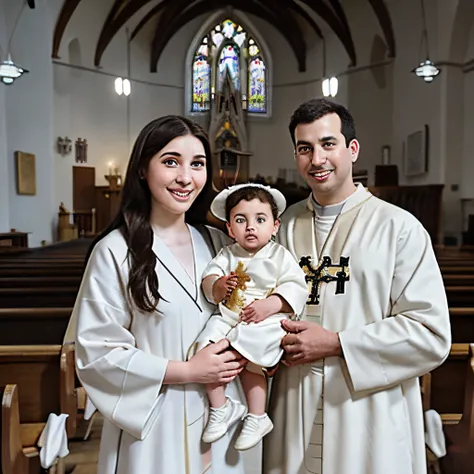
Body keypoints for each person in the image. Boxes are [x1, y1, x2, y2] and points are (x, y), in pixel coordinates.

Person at [263, 98, 451, 474]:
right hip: (291, 407)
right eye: (305, 148)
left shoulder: (398, 228)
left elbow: (431, 335)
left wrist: (336, 343)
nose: (317, 159)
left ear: (352, 149)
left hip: (367, 415)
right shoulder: (280, 228)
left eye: (328, 144)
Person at [72, 115, 252, 474]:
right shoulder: (115, 251)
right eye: (171, 162)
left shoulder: (219, 244)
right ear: (142, 168)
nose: (186, 177)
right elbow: (97, 354)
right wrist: (187, 370)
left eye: (197, 164)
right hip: (156, 419)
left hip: (226, 409)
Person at [190, 183, 308, 452]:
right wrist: (218, 286)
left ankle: (257, 416)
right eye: (241, 220)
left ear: (275, 226)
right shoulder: (227, 254)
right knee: (206, 348)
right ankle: (221, 407)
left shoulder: (279, 255)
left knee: (253, 360)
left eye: (260, 219)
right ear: (230, 228)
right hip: (229, 318)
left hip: (263, 323)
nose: (250, 227)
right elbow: (209, 279)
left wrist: (271, 304)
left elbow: (295, 285)